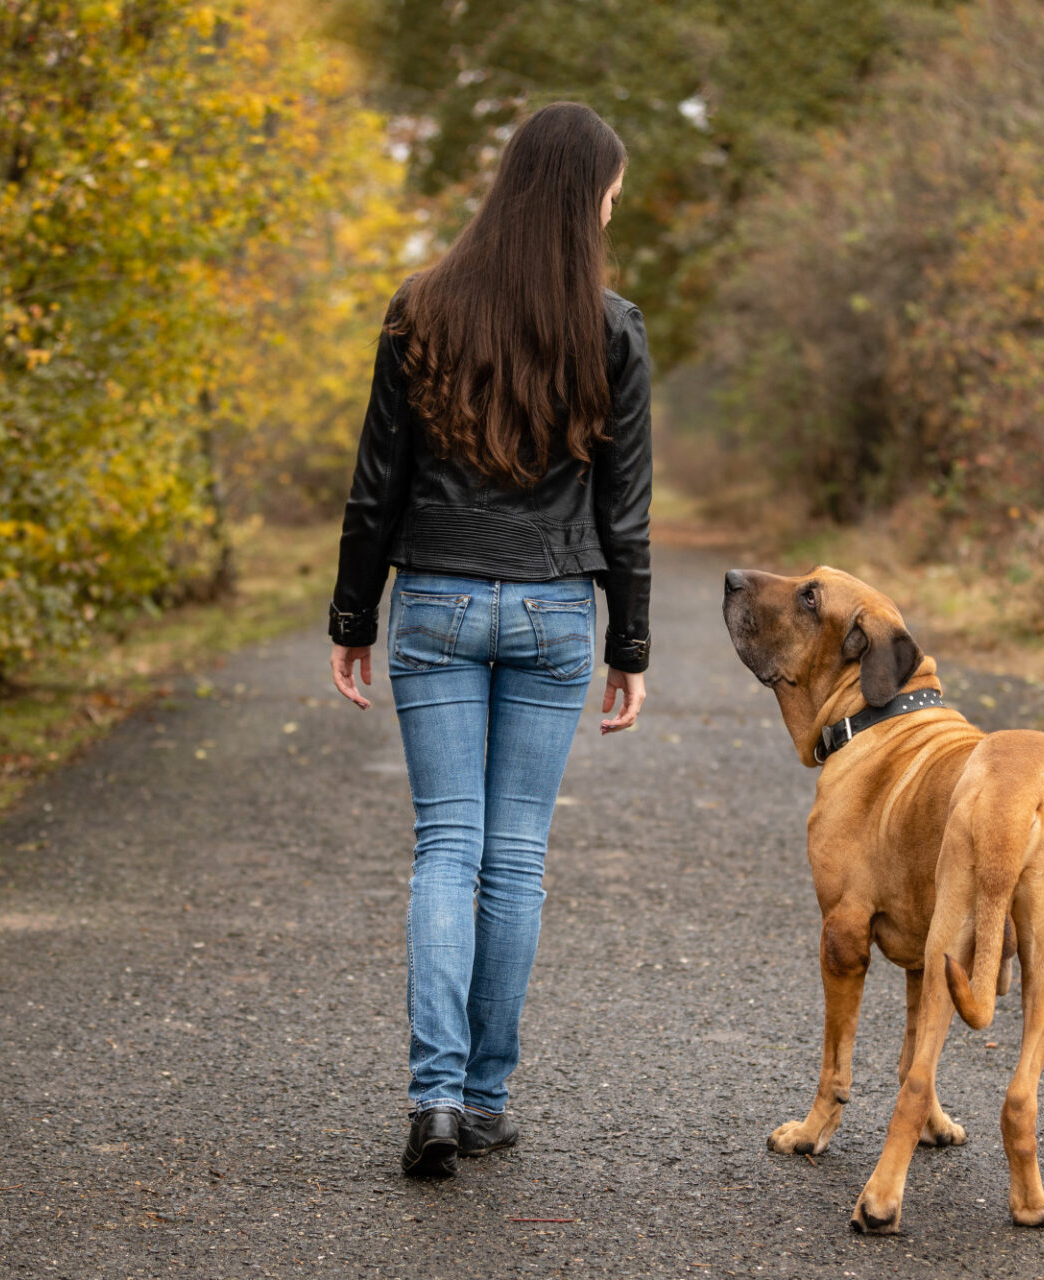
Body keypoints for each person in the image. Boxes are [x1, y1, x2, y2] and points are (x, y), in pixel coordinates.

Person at [326, 101, 651, 1180]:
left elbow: (379, 481)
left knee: (445, 846)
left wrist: (351, 614)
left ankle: (432, 1098)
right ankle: (484, 1096)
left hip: (438, 604)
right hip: (556, 609)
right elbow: (625, 509)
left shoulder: (421, 309)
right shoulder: (610, 326)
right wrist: (630, 643)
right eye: (610, 189)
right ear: (582, 197)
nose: (615, 204)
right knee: (514, 857)